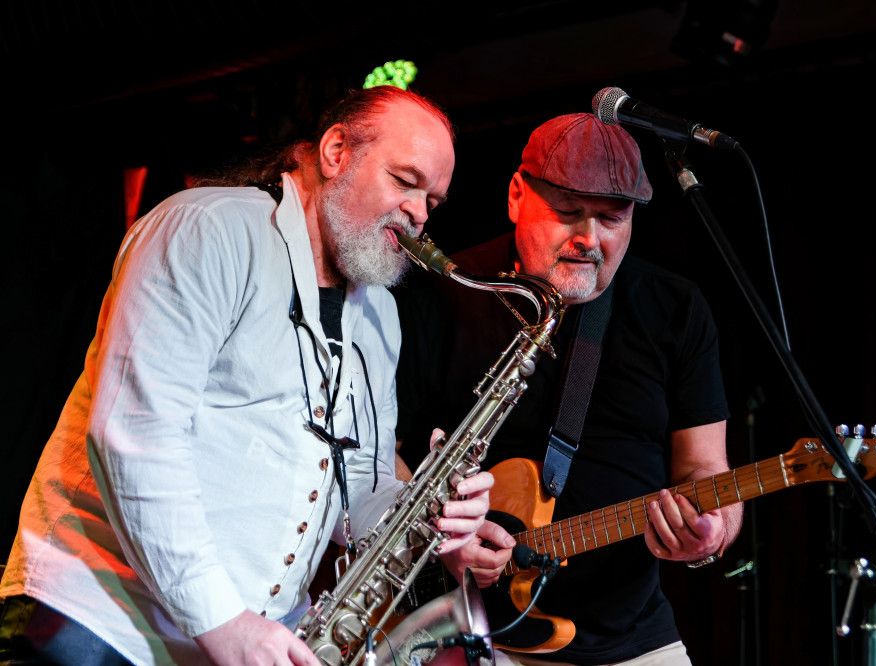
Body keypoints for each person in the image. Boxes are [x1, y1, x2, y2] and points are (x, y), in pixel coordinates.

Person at [0, 85, 511, 666]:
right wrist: (224, 622)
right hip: (100, 627)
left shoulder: (381, 316)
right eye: (405, 181)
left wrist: (429, 511)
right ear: (336, 151)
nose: (420, 213)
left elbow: (356, 487)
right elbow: (137, 438)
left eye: (433, 201)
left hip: (239, 642)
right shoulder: (205, 229)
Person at [393, 113, 743, 665]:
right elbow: (377, 455)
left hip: (631, 638)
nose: (589, 239)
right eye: (568, 212)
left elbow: (706, 467)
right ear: (516, 195)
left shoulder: (676, 308)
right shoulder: (442, 291)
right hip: (456, 632)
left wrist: (710, 534)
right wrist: (437, 537)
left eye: (611, 218)